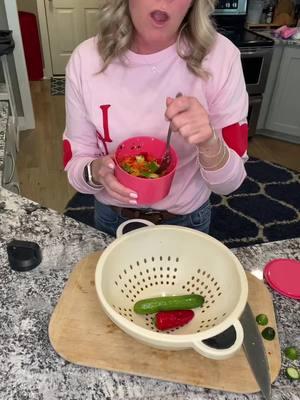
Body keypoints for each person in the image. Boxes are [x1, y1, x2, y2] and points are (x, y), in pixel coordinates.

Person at [63, 0, 249, 237]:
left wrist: (209, 142)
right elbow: (76, 165)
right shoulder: (86, 60)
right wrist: (97, 171)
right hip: (111, 218)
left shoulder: (222, 57)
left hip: (186, 223)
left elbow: (230, 184)